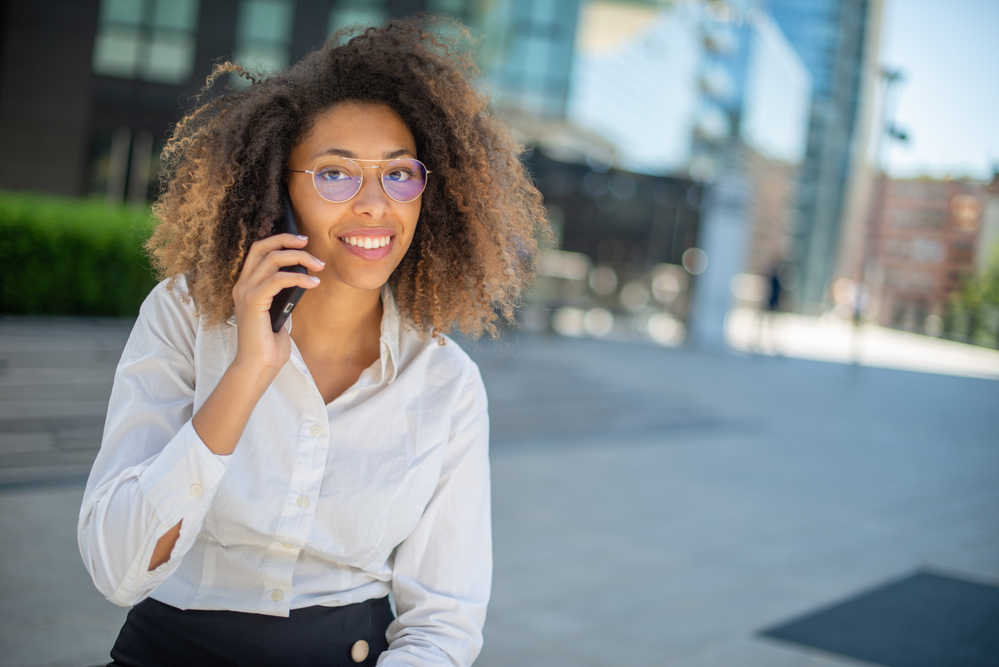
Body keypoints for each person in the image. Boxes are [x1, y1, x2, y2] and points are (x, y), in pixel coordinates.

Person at [78, 19, 547, 667]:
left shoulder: (446, 381)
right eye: (335, 173)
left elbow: (443, 621)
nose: (375, 204)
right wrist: (246, 372)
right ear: (278, 187)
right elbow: (117, 571)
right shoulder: (186, 313)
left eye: (399, 173)